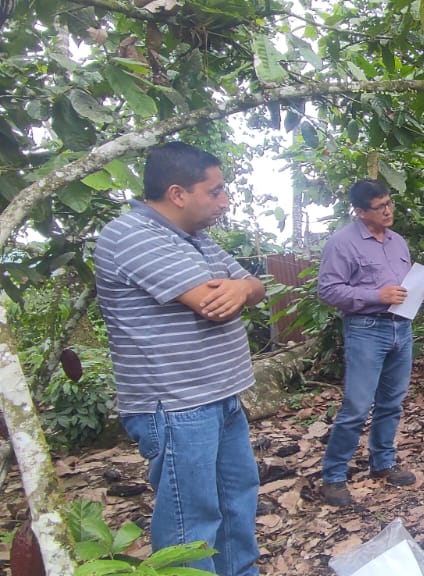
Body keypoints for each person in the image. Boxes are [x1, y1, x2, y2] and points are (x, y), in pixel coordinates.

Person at [95, 141, 264, 575]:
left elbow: (253, 286)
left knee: (236, 501)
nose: (224, 201)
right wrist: (236, 289)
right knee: (192, 521)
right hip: (176, 405)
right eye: (215, 191)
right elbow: (211, 303)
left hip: (220, 396)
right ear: (177, 194)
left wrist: (242, 287)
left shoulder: (196, 240)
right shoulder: (130, 234)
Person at [317, 179, 424, 507]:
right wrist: (375, 295)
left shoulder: (398, 242)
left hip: (401, 327)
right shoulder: (342, 243)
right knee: (357, 406)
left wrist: (421, 288)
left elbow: (402, 286)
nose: (388, 210)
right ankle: (334, 476)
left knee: (392, 402)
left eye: (389, 203)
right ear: (360, 211)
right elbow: (328, 290)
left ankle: (383, 461)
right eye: (379, 207)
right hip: (366, 329)